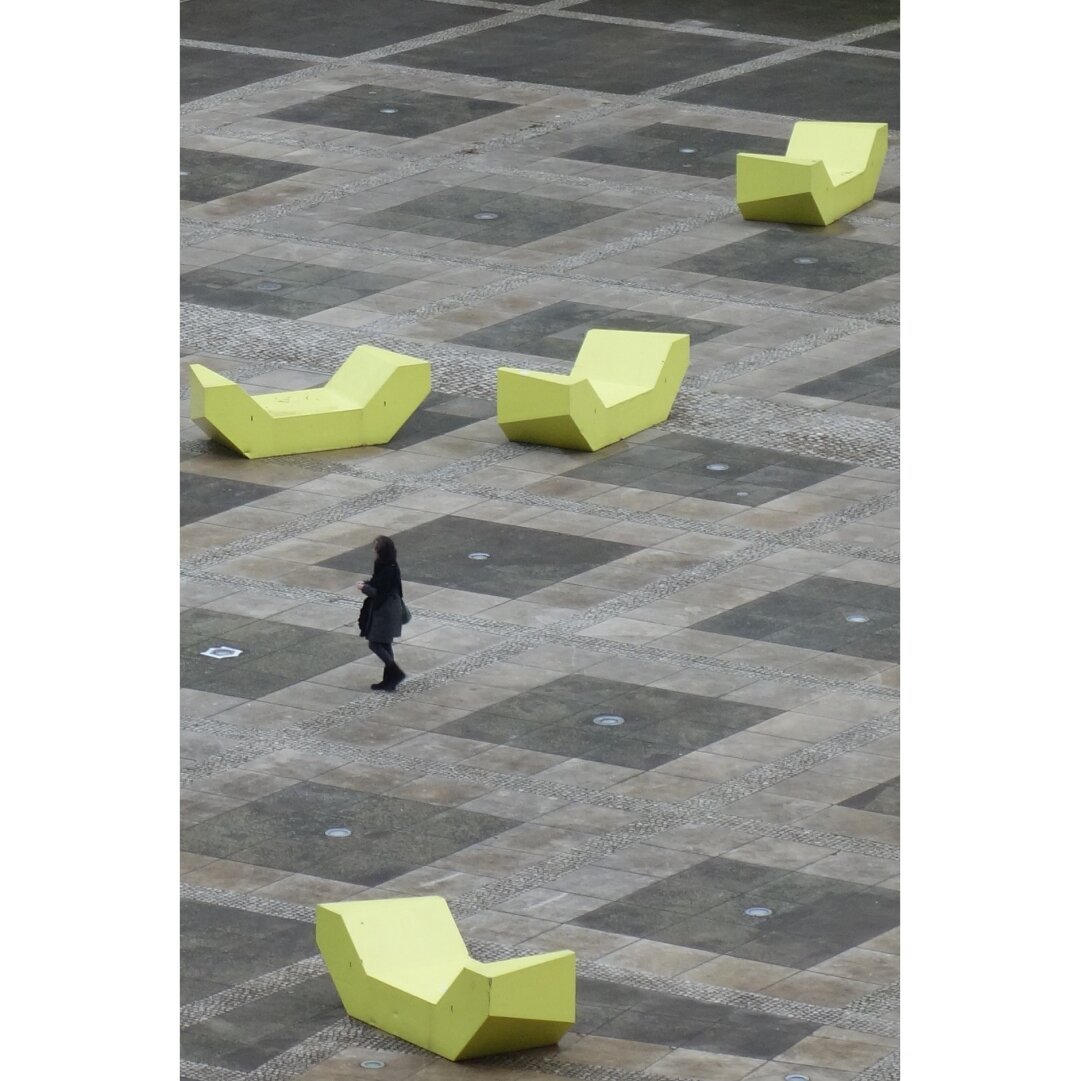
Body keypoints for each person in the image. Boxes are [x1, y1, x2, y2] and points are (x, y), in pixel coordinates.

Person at [357, 535, 407, 691]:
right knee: (384, 643)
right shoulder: (383, 564)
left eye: (376, 547)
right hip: (386, 608)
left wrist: (364, 588)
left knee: (375, 643)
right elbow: (377, 583)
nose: (373, 549)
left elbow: (380, 593)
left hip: (386, 611)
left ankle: (395, 673)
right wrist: (367, 583)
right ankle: (389, 680)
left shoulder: (388, 568)